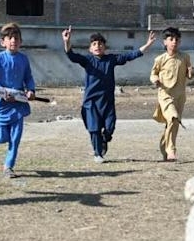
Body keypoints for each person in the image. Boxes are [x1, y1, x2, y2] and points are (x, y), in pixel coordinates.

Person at [62, 26, 156, 163]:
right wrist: (66, 41)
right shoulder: (87, 60)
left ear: (105, 47)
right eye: (94, 44)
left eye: (100, 44)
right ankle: (97, 153)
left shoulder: (111, 60)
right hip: (91, 102)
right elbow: (71, 55)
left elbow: (130, 55)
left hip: (107, 102)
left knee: (109, 128)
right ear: (90, 48)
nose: (97, 46)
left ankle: (105, 139)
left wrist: (147, 45)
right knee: (94, 129)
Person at [0, 22, 36, 178]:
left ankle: (8, 167)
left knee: (15, 138)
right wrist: (3, 93)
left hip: (18, 105)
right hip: (1, 104)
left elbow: (28, 78)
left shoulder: (24, 59)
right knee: (1, 137)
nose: (13, 41)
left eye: (16, 38)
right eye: (10, 38)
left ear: (21, 41)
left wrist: (31, 90)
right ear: (3, 42)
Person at [150, 27, 194, 162]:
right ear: (165, 42)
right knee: (173, 118)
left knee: (173, 123)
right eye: (171, 39)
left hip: (180, 96)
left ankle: (164, 145)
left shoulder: (185, 57)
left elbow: (189, 75)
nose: (174, 42)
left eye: (177, 39)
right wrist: (155, 80)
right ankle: (171, 150)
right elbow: (153, 74)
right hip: (165, 95)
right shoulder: (160, 59)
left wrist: (191, 72)